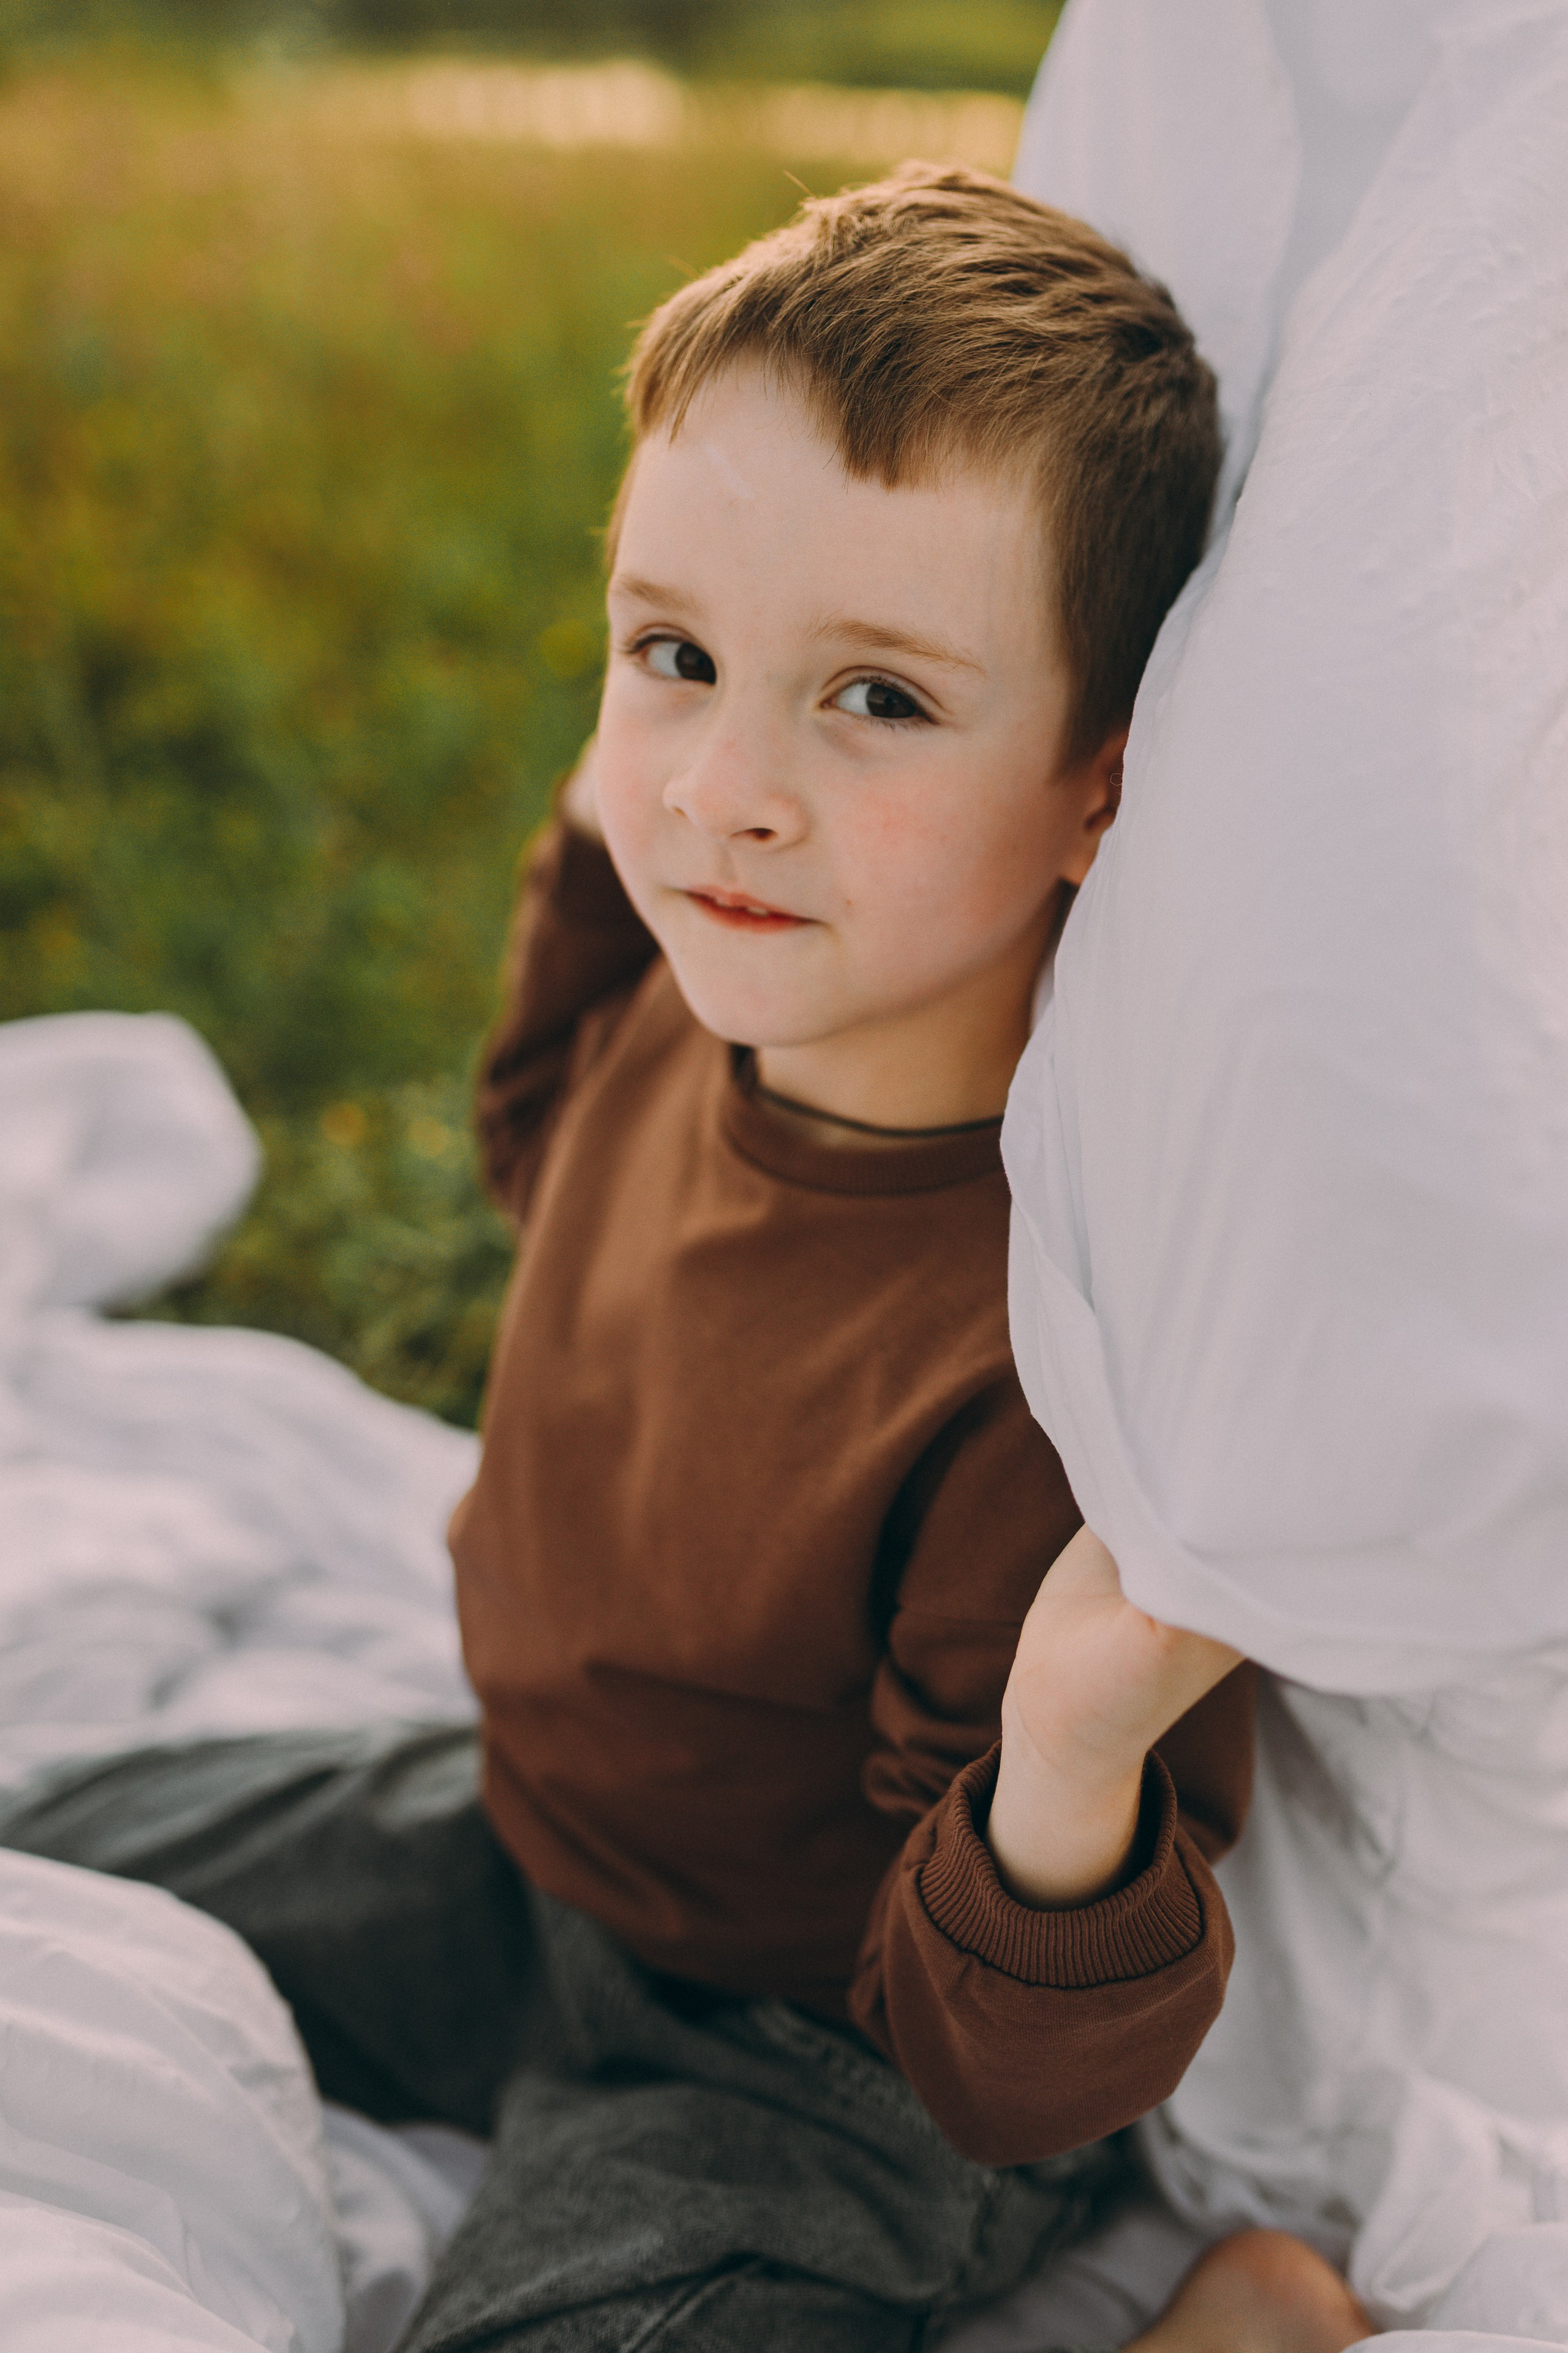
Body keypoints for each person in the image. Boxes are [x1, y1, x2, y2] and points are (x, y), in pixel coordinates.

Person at [0, 167, 1370, 2353]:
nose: (726, 787)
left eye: (880, 702)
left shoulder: (1044, 1347)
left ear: (1101, 788)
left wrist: (1077, 1734)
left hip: (815, 2043)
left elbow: (1004, 2072)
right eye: (679, 657)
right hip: (512, 1842)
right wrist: (629, 768)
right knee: (29, 1862)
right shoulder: (698, 990)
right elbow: (545, 1129)